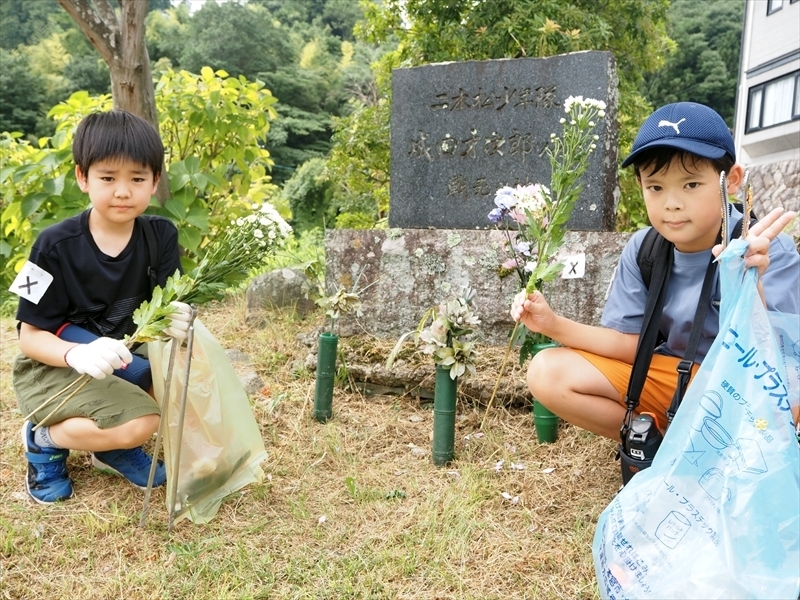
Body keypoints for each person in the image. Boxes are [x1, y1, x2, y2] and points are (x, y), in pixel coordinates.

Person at [511, 101, 800, 441]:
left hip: (747, 385)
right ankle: (662, 447)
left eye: (691, 184)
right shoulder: (645, 249)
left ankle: (726, 453)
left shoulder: (764, 248)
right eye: (656, 187)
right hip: (680, 378)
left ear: (731, 180)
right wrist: (552, 324)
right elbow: (630, 343)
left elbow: (781, 360)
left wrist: (750, 281)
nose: (672, 203)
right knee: (548, 372)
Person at [12, 110, 193, 504]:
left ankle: (108, 448)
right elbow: (29, 337)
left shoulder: (161, 235)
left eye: (137, 179)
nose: (123, 191)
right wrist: (77, 352)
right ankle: (43, 439)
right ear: (83, 177)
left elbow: (169, 306)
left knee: (183, 396)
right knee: (144, 422)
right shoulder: (51, 245)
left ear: (155, 181)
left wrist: (181, 318)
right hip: (54, 367)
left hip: (126, 359)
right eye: (108, 178)